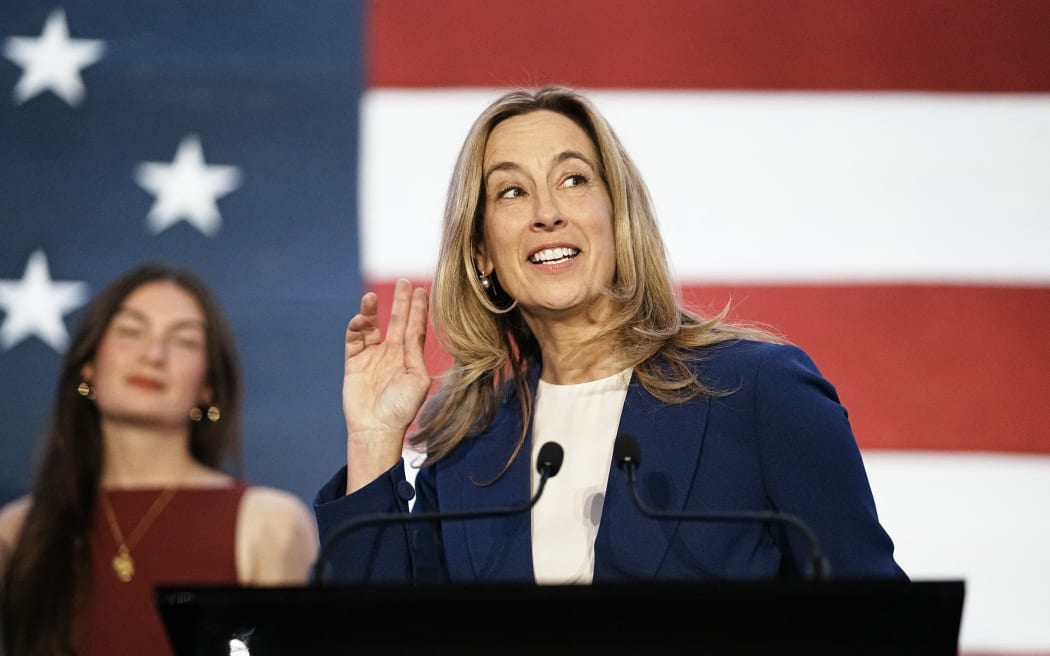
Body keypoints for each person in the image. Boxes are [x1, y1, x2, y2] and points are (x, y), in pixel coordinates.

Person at [312, 85, 906, 585]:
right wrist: (372, 438)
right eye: (511, 191)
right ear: (482, 254)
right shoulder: (469, 443)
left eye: (573, 180)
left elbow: (878, 625)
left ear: (618, 218)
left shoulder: (757, 391)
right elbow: (382, 637)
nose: (547, 212)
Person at [0, 262, 319, 656]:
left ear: (208, 387)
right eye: (131, 332)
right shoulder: (15, 534)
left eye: (184, 341)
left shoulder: (271, 523)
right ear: (88, 364)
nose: (154, 354)